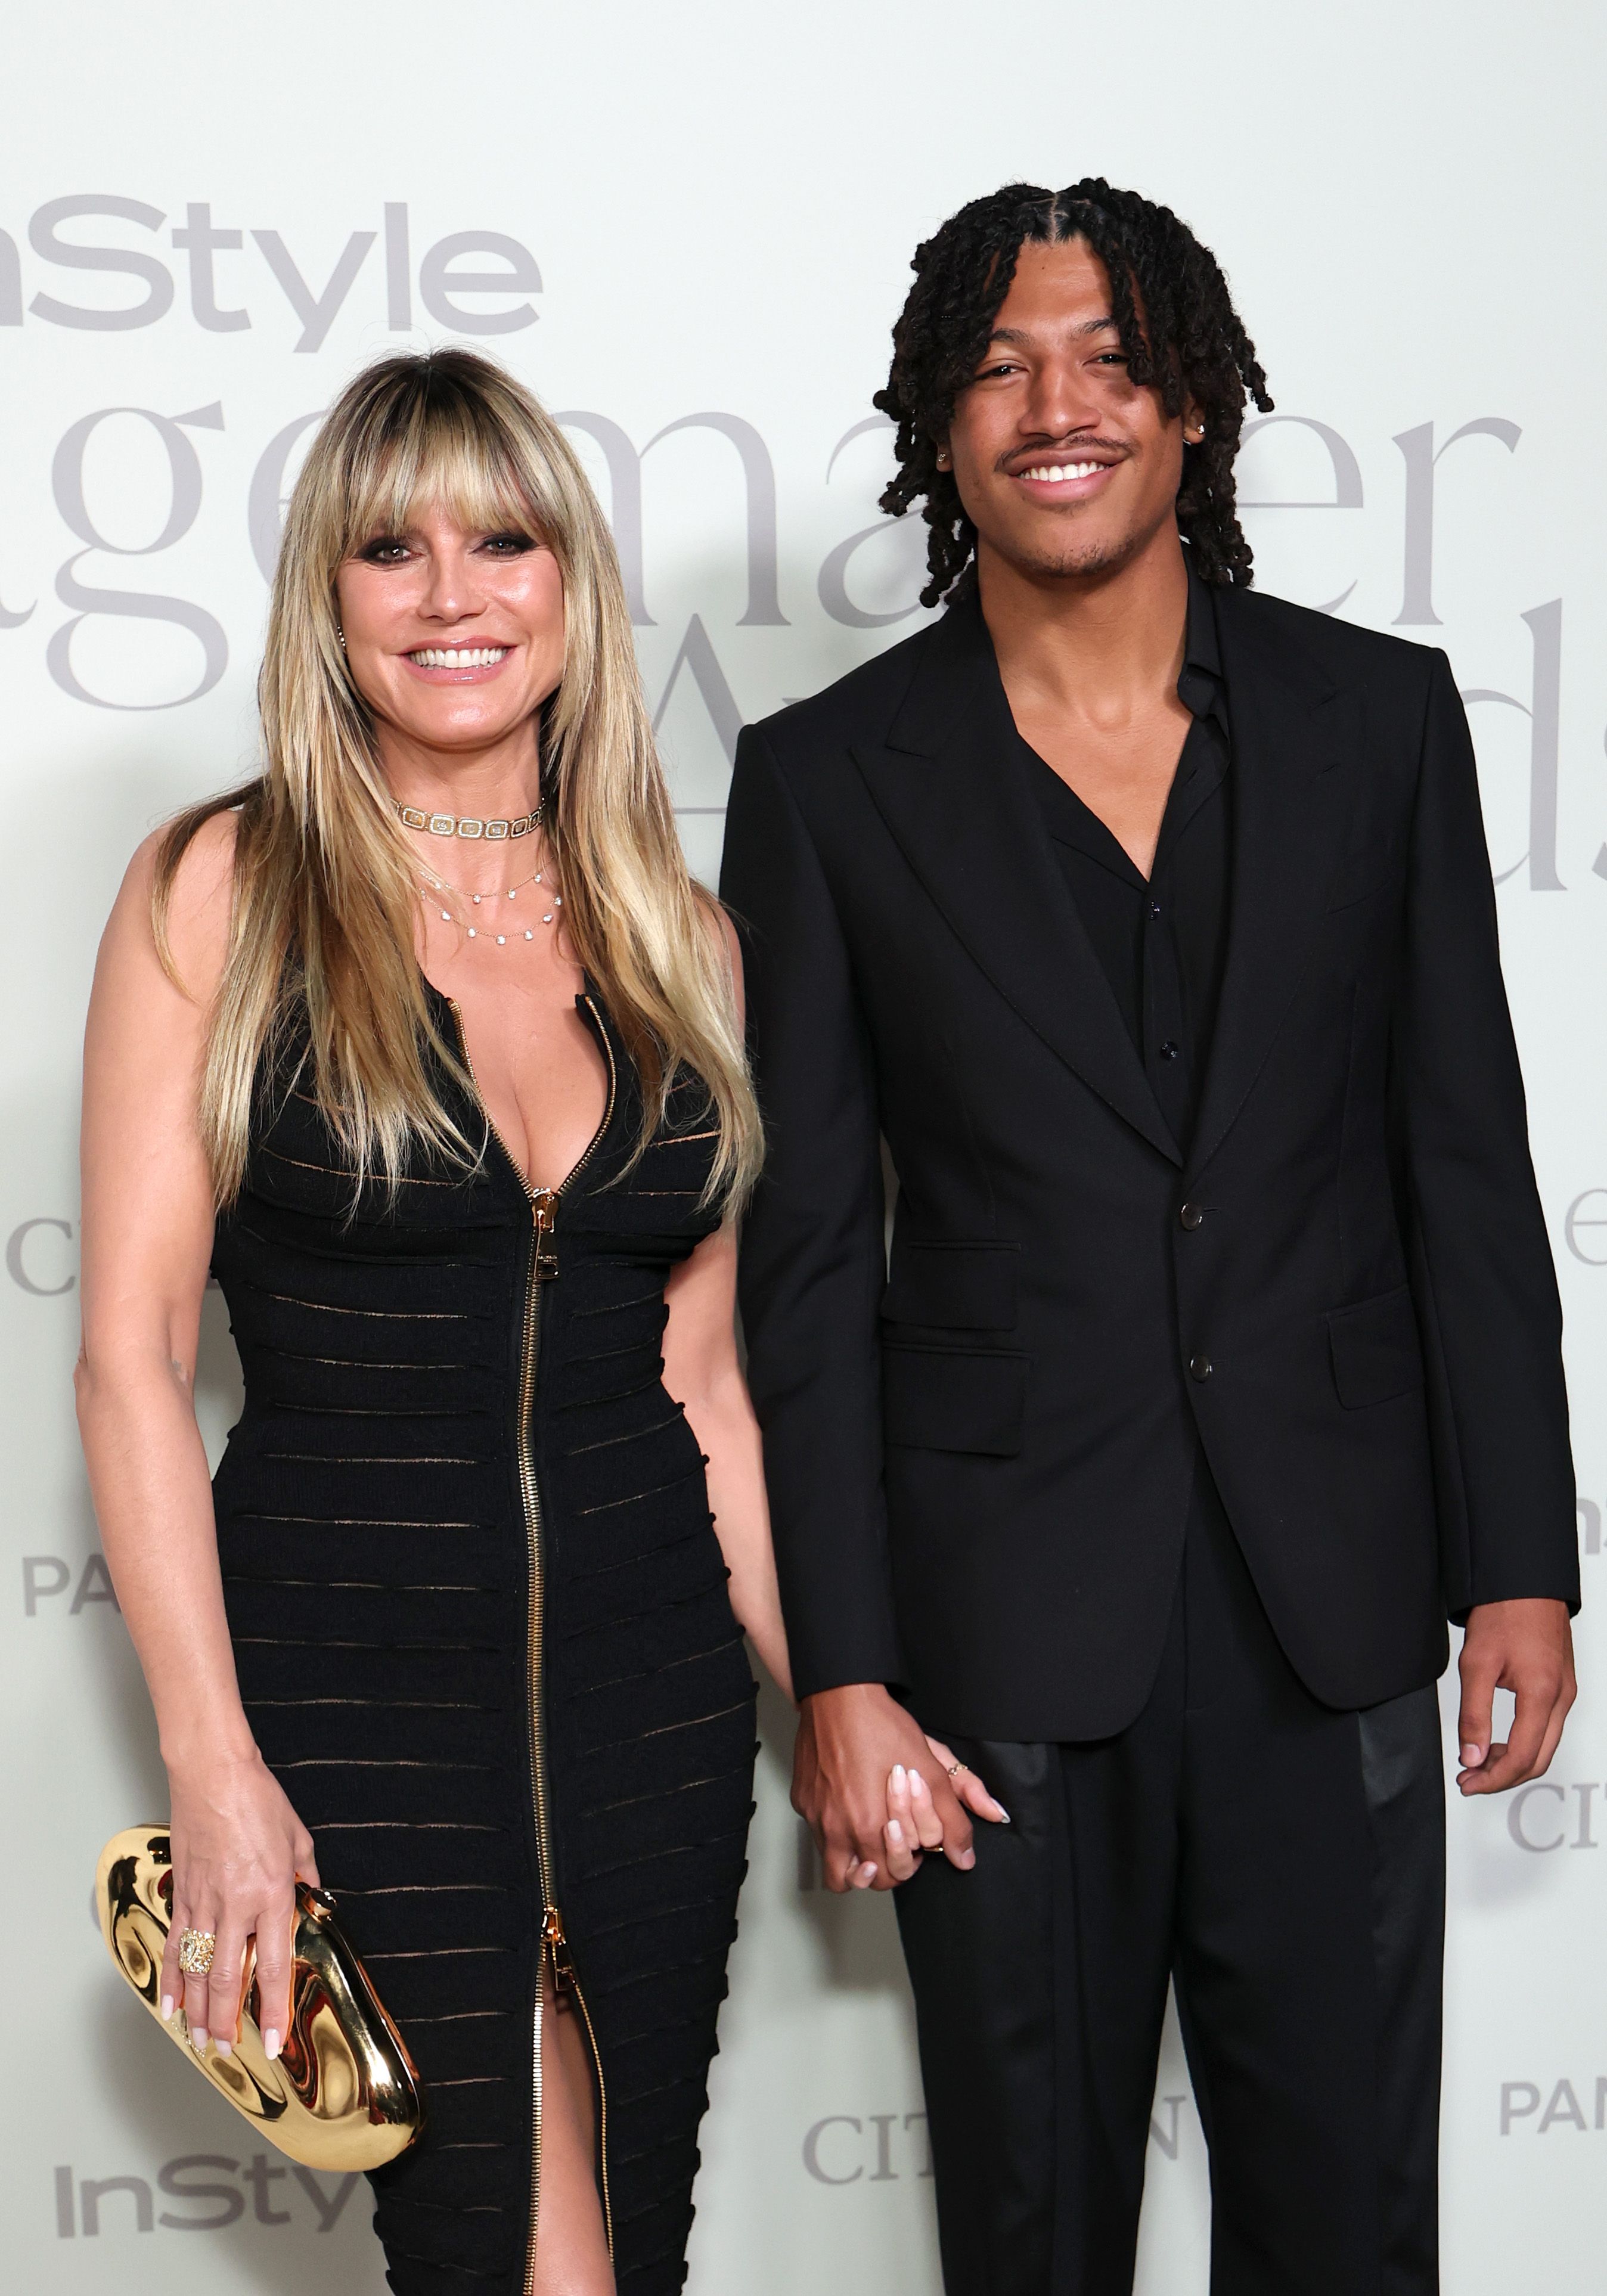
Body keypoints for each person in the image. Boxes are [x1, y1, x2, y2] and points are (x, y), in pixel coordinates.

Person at [721, 179, 1580, 2294]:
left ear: (1197, 403)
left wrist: (1524, 1559)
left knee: (1352, 2233)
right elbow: (809, 1257)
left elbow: (1462, 1162)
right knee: (1029, 2238)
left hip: (1337, 1603)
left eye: (1109, 355)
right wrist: (838, 1661)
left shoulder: (1383, 726)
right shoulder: (826, 781)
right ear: (938, 427)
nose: (1058, 404)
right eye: (999, 367)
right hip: (998, 1640)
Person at [76, 346, 790, 2296]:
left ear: (572, 585)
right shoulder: (221, 892)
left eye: (503, 539)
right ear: (329, 594)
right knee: (511, 2246)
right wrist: (214, 1762)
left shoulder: (680, 931)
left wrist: (842, 1693)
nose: (452, 593)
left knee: (625, 2230)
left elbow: (709, 1390)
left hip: (653, 1707)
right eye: (390, 548)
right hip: (355, 1699)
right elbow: (129, 1354)